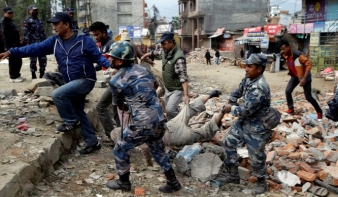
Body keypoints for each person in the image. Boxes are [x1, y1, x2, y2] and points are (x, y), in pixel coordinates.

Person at [0, 12, 110, 154]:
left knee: (57, 94)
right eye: (52, 25)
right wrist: (12, 52)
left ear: (66, 24)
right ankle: (92, 142)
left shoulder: (84, 40)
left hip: (85, 80)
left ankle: (71, 121)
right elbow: (34, 48)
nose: (54, 27)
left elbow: (98, 57)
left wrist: (113, 66)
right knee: (79, 111)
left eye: (56, 24)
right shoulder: (55, 41)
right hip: (71, 82)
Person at [105, 41, 182, 193]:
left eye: (111, 57)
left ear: (119, 60)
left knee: (120, 147)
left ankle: (124, 183)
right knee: (158, 150)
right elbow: (154, 86)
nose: (109, 60)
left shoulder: (115, 81)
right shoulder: (144, 69)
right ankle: (173, 182)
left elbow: (119, 106)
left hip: (142, 122)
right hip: (158, 119)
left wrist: (132, 103)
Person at [220, 54, 271, 195]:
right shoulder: (249, 80)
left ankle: (262, 182)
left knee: (256, 156)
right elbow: (238, 91)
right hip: (244, 122)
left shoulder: (259, 88)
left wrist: (230, 108)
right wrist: (231, 99)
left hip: (257, 127)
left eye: (250, 66)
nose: (246, 69)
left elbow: (246, 110)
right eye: (246, 65)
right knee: (228, 142)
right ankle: (233, 175)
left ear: (259, 69)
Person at [141, 31, 189, 120]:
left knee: (170, 110)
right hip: (168, 88)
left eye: (164, 43)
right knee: (169, 111)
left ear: (171, 42)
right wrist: (145, 55)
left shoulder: (178, 57)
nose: (162, 46)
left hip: (176, 89)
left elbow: (183, 77)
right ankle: (173, 127)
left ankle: (183, 120)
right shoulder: (165, 51)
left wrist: (186, 95)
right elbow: (155, 53)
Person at [279, 39, 322, 119]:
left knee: (308, 97)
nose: (282, 51)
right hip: (295, 76)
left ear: (289, 47)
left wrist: (304, 79)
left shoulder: (298, 55)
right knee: (288, 91)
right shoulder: (286, 55)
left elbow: (308, 65)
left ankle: (319, 111)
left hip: (305, 77)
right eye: (281, 49)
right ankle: (291, 109)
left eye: (284, 49)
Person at [89, 21, 117, 143]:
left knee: (101, 107)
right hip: (112, 82)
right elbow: (103, 62)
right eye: (94, 35)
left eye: (97, 34)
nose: (96, 37)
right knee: (117, 110)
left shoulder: (112, 45)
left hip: (116, 82)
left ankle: (114, 137)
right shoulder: (102, 45)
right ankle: (117, 136)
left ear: (104, 33)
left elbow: (115, 64)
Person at [1, 7, 25, 83]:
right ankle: (13, 76)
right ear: (4, 13)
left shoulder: (10, 21)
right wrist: (7, 47)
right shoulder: (4, 22)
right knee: (13, 60)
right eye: (9, 13)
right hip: (10, 45)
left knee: (18, 59)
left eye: (11, 13)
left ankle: (17, 74)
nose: (11, 14)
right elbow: (4, 35)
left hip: (16, 44)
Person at [24, 5, 47, 79]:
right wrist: (27, 44)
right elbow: (26, 33)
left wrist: (45, 41)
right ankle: (33, 74)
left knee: (43, 59)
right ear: (29, 11)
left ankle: (42, 74)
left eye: (36, 10)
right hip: (32, 44)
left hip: (41, 43)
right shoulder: (27, 21)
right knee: (33, 60)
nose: (35, 11)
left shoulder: (39, 20)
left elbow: (43, 32)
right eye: (33, 10)